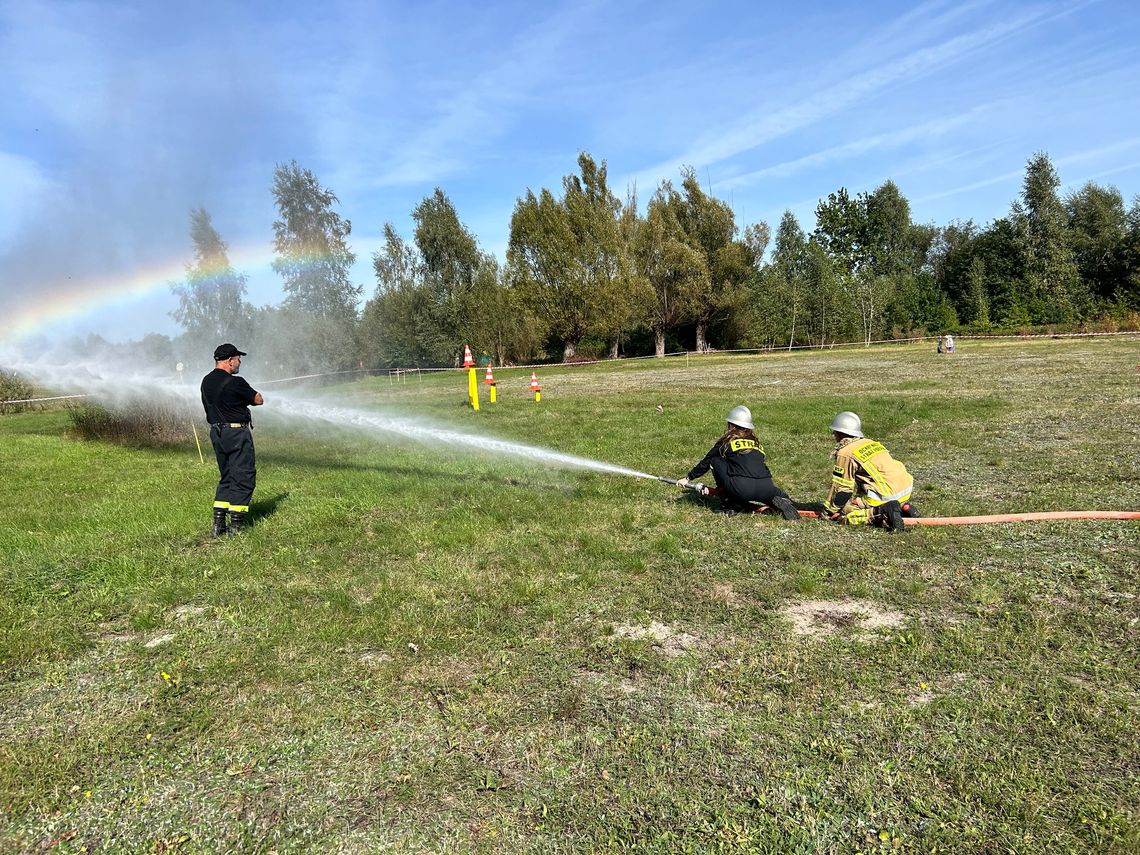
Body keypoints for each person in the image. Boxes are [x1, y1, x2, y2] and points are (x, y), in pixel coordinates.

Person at [677, 406, 801, 520]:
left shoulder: (726, 441)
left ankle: (730, 503)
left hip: (742, 489)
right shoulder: (757, 443)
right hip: (767, 487)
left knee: (715, 460)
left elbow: (707, 461)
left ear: (731, 425)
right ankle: (787, 500)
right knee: (770, 488)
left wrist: (688, 478)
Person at [200, 343, 264, 536]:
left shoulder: (206, 381)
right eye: (238, 358)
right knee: (243, 476)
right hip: (236, 433)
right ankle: (236, 527)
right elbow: (258, 399)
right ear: (230, 360)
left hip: (217, 433)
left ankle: (218, 525)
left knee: (226, 476)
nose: (240, 361)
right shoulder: (236, 382)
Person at [823, 411, 918, 532]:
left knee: (845, 515)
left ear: (840, 433)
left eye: (834, 432)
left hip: (886, 495)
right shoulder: (870, 443)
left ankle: (881, 511)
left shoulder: (845, 453)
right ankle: (903, 507)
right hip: (904, 489)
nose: (833, 435)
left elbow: (842, 489)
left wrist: (829, 512)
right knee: (858, 502)